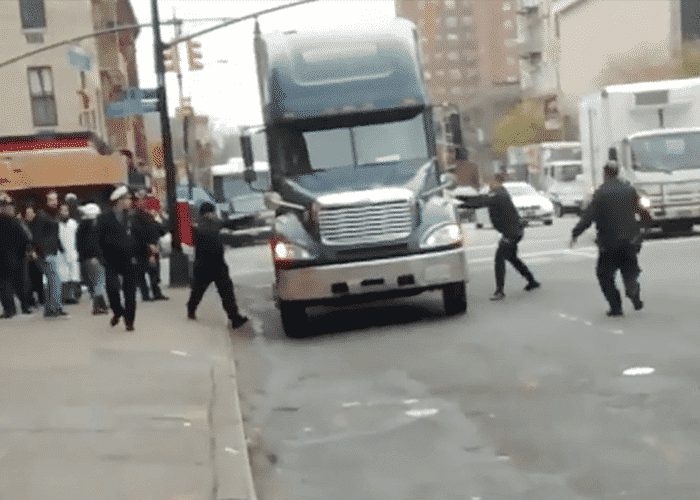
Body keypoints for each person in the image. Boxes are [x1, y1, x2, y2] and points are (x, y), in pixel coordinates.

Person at [570, 162, 651, 317]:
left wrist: (576, 232)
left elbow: (589, 216)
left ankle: (616, 307)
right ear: (617, 172)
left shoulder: (601, 193)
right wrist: (645, 227)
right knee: (629, 269)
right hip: (630, 240)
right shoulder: (629, 189)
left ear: (605, 173)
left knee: (604, 275)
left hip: (609, 242)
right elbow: (642, 211)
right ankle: (632, 288)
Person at [461, 173, 540, 300]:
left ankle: (500, 291)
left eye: (490, 183)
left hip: (511, 233)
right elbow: (482, 198)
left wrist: (460, 204)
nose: (488, 186)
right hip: (514, 231)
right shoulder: (500, 193)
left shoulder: (499, 194)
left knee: (499, 259)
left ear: (496, 182)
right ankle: (532, 281)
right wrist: (462, 199)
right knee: (512, 258)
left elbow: (482, 201)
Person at [97, 185, 156, 332]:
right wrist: (100, 256)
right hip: (111, 260)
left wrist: (149, 249)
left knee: (130, 292)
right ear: (119, 200)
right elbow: (97, 239)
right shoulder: (105, 218)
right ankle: (117, 311)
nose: (130, 201)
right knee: (112, 288)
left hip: (130, 259)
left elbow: (140, 236)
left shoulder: (132, 218)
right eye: (127, 198)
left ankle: (129, 321)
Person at [186, 202, 248, 329]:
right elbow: (224, 225)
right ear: (207, 213)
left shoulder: (208, 224)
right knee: (200, 291)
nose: (214, 215)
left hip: (216, 264)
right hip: (206, 265)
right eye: (212, 212)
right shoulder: (202, 226)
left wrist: (242, 221)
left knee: (225, 292)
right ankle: (191, 307)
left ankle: (234, 317)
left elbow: (228, 224)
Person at [33, 191, 68, 318]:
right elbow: (36, 236)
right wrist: (41, 252)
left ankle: (50, 308)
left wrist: (61, 249)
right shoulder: (42, 216)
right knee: (55, 280)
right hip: (46, 253)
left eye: (55, 199)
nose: (54, 202)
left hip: (52, 251)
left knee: (53, 280)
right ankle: (55, 308)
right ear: (46, 202)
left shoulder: (53, 215)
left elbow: (55, 235)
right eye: (51, 200)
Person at [0, 195, 30, 318]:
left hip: (2, 258)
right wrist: (23, 251)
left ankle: (9, 309)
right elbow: (25, 238)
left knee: (4, 284)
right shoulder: (16, 222)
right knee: (21, 282)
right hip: (18, 257)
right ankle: (25, 306)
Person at [134, 195, 169, 302]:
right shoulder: (135, 217)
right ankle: (146, 294)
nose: (143, 202)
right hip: (141, 248)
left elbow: (161, 229)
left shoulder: (150, 216)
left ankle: (156, 292)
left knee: (154, 272)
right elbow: (138, 233)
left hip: (153, 247)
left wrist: (161, 217)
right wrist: (149, 244)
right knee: (142, 272)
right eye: (140, 200)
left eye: (144, 200)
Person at [76, 203, 109, 315]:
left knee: (95, 282)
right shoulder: (93, 228)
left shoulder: (80, 227)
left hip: (84, 259)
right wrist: (99, 256)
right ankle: (97, 305)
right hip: (94, 258)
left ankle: (102, 305)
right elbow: (95, 244)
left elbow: (78, 245)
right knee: (100, 281)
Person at [58, 202, 81, 305]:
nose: (64, 212)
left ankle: (73, 295)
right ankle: (65, 296)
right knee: (63, 275)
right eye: (62, 210)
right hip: (61, 254)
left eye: (66, 210)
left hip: (73, 251)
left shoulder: (73, 223)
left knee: (74, 274)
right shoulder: (57, 224)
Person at [23, 204, 45, 308]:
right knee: (29, 280)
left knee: (38, 278)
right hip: (27, 256)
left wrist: (36, 251)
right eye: (27, 214)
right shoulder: (24, 226)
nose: (29, 215)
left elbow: (39, 239)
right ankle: (30, 300)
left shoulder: (37, 225)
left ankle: (41, 298)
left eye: (30, 213)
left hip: (37, 255)